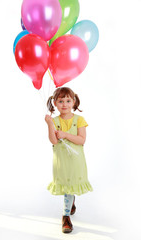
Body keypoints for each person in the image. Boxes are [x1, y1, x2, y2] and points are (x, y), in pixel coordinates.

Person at [45, 87, 93, 234]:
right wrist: (49, 124)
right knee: (66, 187)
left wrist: (65, 134)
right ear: (54, 103)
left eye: (68, 100)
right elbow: (53, 140)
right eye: (60, 101)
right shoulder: (54, 120)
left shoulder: (79, 120)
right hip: (61, 161)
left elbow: (81, 140)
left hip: (75, 161)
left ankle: (69, 205)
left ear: (73, 102)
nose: (64, 104)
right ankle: (65, 216)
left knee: (72, 185)